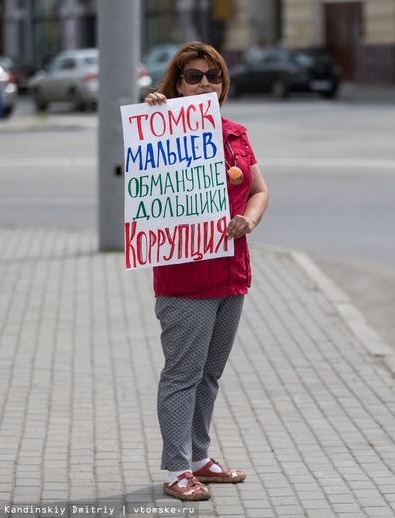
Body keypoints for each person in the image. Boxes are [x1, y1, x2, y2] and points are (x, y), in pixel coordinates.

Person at [143, 41, 270, 501]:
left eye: (212, 76)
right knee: (182, 374)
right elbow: (143, 169)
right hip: (185, 279)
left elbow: (258, 189)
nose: (204, 83)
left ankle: (198, 458)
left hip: (232, 273)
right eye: (193, 76)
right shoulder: (162, 131)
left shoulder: (235, 132)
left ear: (223, 83)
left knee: (210, 374)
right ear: (176, 83)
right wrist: (155, 114)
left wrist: (250, 219)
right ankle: (177, 470)